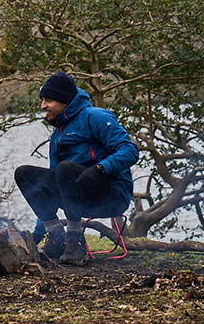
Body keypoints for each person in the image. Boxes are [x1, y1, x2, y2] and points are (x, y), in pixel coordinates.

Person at [15, 72, 139, 265]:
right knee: (25, 174)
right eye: (42, 100)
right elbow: (46, 186)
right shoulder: (57, 136)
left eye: (48, 100)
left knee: (65, 169)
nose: (43, 106)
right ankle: (56, 236)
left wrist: (99, 169)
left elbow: (130, 151)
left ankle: (75, 239)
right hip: (76, 198)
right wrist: (37, 234)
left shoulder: (95, 116)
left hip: (111, 195)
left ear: (64, 101)